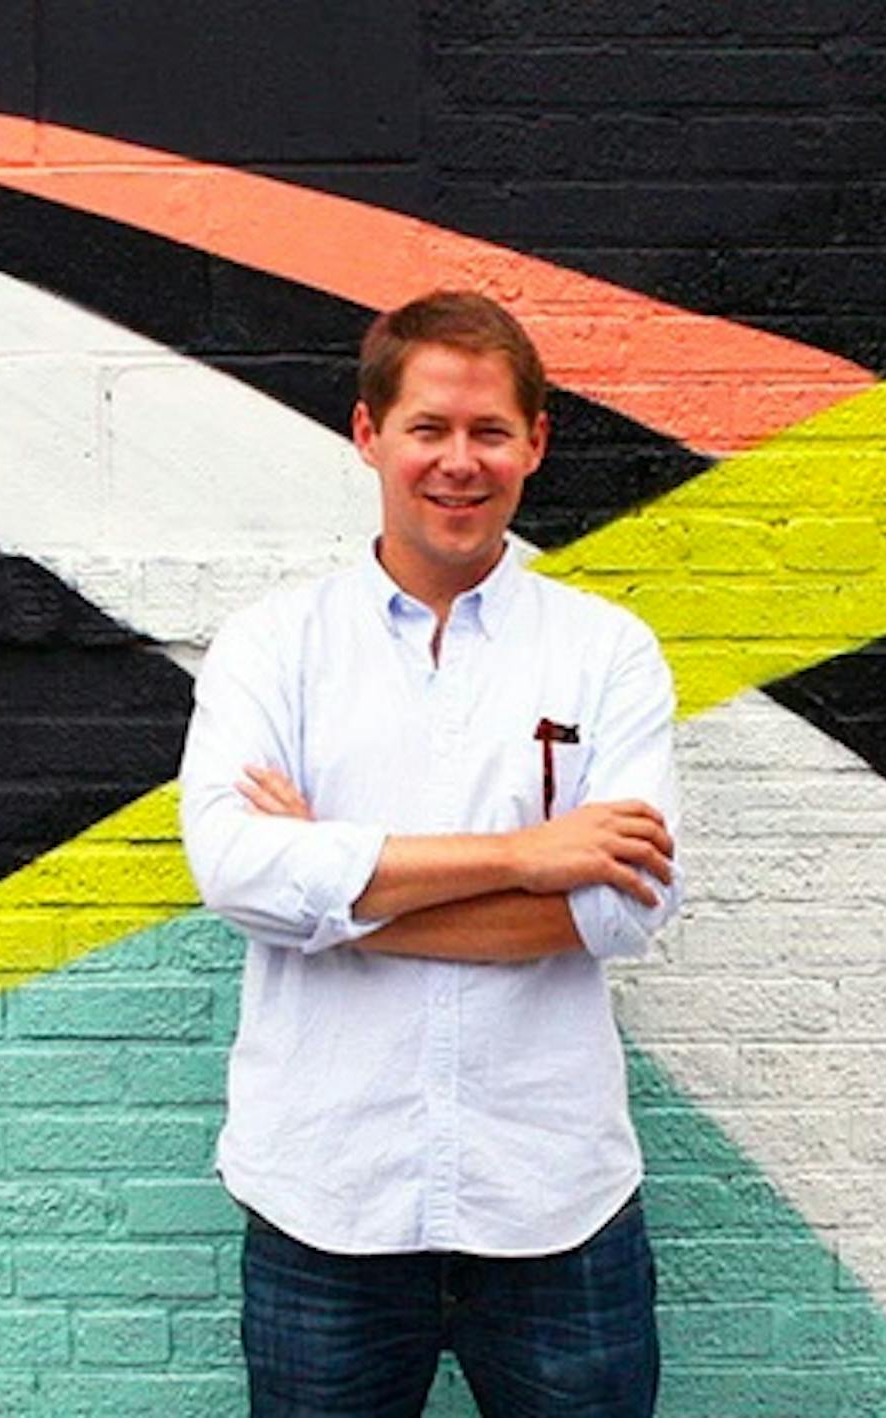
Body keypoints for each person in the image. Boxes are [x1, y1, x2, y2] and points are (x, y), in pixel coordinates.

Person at [178, 290, 683, 1416]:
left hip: (554, 1201)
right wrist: (527, 853)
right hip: (328, 1202)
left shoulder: (608, 652)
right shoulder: (275, 646)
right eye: (429, 429)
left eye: (491, 431)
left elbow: (626, 909)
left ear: (535, 443)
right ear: (369, 435)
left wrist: (337, 894)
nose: (460, 461)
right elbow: (236, 870)